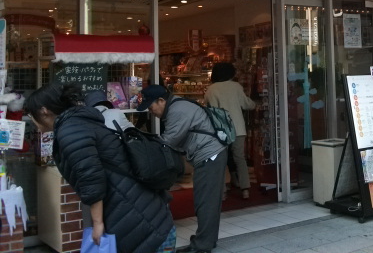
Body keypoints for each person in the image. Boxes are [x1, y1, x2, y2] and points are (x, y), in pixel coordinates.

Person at [24, 83, 175, 253]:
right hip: (146, 214)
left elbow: (91, 178)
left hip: (143, 223)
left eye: (31, 114)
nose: (32, 120)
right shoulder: (79, 122)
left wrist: (97, 224)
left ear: (44, 111)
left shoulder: (70, 130)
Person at [138, 84, 227, 253]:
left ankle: (202, 246)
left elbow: (168, 141)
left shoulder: (177, 111)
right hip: (210, 154)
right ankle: (208, 241)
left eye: (151, 107)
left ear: (161, 100)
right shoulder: (176, 105)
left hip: (210, 155)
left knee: (205, 202)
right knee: (208, 202)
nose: (151, 112)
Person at [205, 62, 255, 200]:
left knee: (220, 160)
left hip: (221, 129)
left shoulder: (211, 90)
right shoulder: (236, 86)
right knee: (240, 158)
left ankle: (222, 192)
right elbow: (246, 104)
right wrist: (255, 103)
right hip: (238, 127)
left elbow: (211, 110)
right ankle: (245, 189)